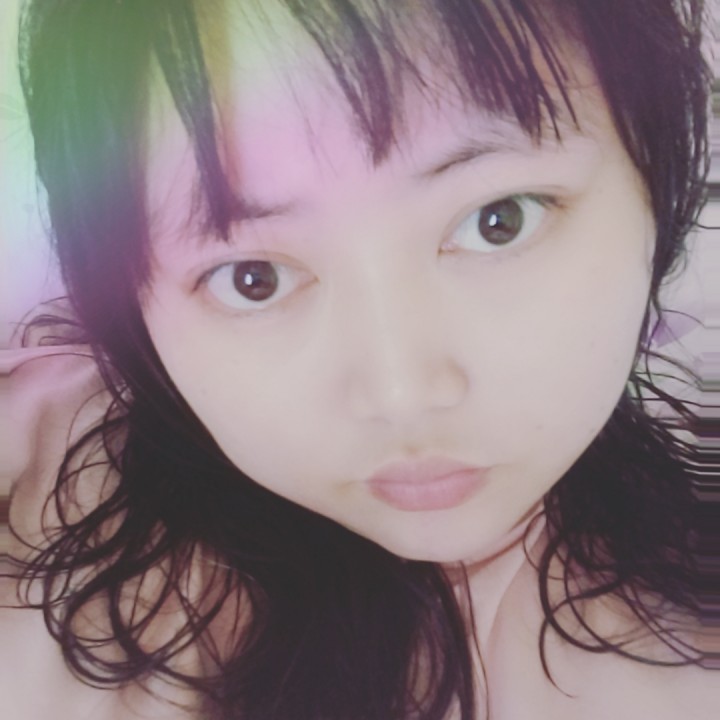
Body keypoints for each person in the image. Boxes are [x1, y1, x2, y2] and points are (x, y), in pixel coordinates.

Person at [1, 0, 717, 718]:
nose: (402, 394)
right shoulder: (41, 482)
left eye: (498, 222)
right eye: (254, 279)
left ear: (652, 181)